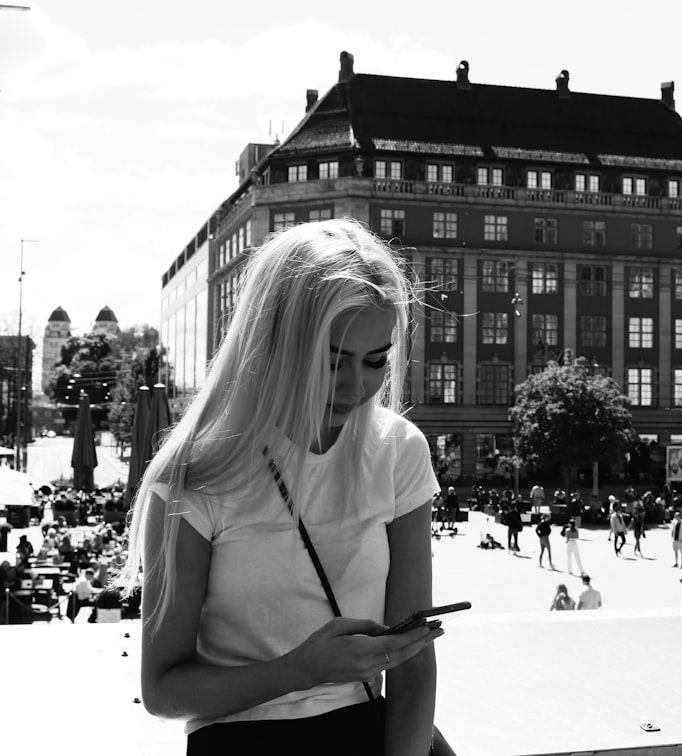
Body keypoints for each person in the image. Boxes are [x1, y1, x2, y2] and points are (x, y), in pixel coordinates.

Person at [119, 219, 444, 753]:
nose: (357, 387)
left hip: (372, 735)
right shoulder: (197, 474)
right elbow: (162, 691)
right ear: (274, 343)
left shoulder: (399, 451)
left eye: (375, 362)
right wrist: (299, 670)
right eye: (333, 360)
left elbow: (414, 663)